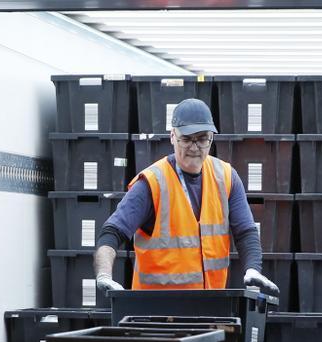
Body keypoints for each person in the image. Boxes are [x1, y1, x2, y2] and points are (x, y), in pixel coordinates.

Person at [93, 98, 278, 296]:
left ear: (212, 139)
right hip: (155, 313)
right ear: (172, 136)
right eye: (186, 139)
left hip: (208, 309)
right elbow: (112, 233)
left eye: (202, 138)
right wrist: (104, 274)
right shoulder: (151, 183)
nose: (194, 147)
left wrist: (252, 268)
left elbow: (246, 232)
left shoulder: (226, 177)